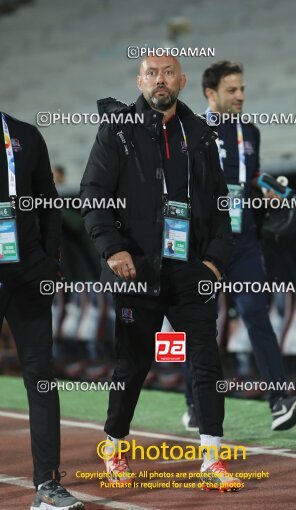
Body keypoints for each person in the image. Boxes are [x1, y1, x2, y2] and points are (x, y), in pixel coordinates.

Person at [80, 55, 242, 491]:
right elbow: (93, 192)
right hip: (138, 269)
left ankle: (212, 458)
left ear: (182, 81)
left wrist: (215, 260)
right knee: (133, 364)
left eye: (168, 73)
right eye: (151, 73)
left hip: (191, 269)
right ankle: (114, 447)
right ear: (140, 80)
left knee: (206, 359)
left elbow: (221, 202)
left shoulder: (201, 134)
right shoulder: (118, 130)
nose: (160, 80)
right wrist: (112, 248)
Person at [182, 61, 296, 432]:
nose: (240, 96)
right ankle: (193, 402)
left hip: (244, 241)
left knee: (257, 314)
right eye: (231, 90)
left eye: (242, 89)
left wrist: (267, 189)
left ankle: (279, 402)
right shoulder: (189, 129)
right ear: (210, 93)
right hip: (202, 244)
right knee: (197, 324)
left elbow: (250, 173)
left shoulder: (250, 131)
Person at [0, 112, 84, 510]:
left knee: (41, 376)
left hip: (29, 272)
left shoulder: (24, 134)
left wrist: (50, 261)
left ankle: (48, 486)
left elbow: (50, 202)